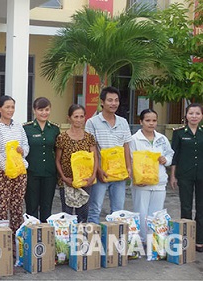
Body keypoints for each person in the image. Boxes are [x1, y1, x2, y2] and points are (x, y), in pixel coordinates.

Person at [85, 86, 132, 224]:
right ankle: (93, 240)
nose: (113, 103)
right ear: (102, 102)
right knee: (95, 208)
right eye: (110, 100)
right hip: (101, 173)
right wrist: (98, 170)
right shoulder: (92, 122)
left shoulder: (123, 122)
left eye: (116, 100)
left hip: (119, 174)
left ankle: (115, 240)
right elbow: (91, 149)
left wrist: (128, 167)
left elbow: (126, 146)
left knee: (118, 210)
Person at [130, 109, 173, 242]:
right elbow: (130, 160)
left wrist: (166, 160)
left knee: (156, 214)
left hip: (159, 182)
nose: (151, 123)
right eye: (147, 120)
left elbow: (170, 153)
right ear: (141, 122)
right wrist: (135, 179)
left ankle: (154, 242)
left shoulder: (162, 138)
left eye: (154, 120)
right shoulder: (134, 139)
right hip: (141, 184)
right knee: (141, 213)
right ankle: (142, 240)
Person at [0, 95, 29, 234]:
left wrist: (22, 151)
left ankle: (16, 239)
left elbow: (25, 144)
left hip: (20, 171)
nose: (10, 110)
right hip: (4, 173)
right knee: (2, 206)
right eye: (7, 107)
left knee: (17, 206)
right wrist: (8, 169)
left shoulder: (18, 125)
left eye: (12, 107)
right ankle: (3, 238)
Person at [55, 104, 98, 223]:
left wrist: (93, 176)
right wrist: (63, 178)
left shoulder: (89, 137)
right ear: (69, 118)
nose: (79, 120)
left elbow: (94, 158)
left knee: (83, 213)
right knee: (67, 214)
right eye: (76, 116)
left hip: (85, 180)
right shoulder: (62, 137)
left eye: (81, 116)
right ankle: (67, 238)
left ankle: (81, 238)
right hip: (68, 181)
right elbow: (58, 160)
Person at [170, 103, 203, 252]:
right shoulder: (179, 133)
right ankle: (187, 239)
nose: (194, 116)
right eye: (191, 113)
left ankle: (200, 240)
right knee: (186, 207)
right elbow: (174, 156)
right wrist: (173, 176)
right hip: (184, 175)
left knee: (201, 209)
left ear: (201, 116)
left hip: (201, 174)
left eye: (197, 113)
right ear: (186, 115)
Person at [23, 97, 60, 221]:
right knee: (31, 207)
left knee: (47, 207)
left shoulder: (54, 129)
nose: (44, 113)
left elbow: (58, 151)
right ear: (34, 110)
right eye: (40, 110)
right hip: (32, 173)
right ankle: (31, 235)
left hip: (49, 173)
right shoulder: (26, 128)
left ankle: (45, 235)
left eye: (47, 109)